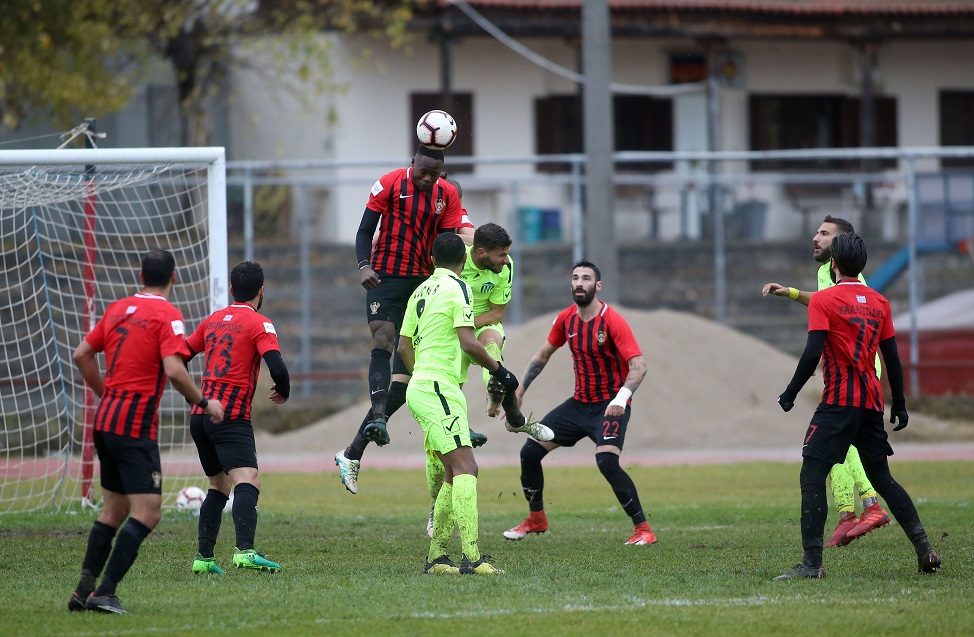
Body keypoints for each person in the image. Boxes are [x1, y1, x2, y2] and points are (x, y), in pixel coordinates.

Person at [774, 232, 941, 580]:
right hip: (869, 403)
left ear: (833, 264)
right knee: (882, 477)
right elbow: (892, 357)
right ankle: (925, 549)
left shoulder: (825, 300)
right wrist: (900, 402)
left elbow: (812, 353)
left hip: (837, 402)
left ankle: (810, 564)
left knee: (812, 475)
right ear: (862, 265)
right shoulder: (880, 302)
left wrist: (790, 392)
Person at [68, 250, 225, 614]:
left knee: (114, 510)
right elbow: (173, 369)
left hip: (105, 421)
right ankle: (104, 592)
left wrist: (104, 393)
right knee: (149, 512)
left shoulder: (117, 308)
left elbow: (81, 355)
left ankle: (82, 590)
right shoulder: (167, 314)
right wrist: (204, 403)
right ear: (176, 277)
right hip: (134, 425)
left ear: (140, 276)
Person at [335, 146, 463, 495]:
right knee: (382, 339)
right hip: (385, 278)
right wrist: (364, 266)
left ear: (442, 173)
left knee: (411, 376)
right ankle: (377, 414)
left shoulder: (448, 196)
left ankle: (353, 451)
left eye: (433, 175)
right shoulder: (389, 184)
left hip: (424, 282)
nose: (426, 178)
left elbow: (449, 243)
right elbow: (364, 232)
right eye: (422, 171)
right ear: (412, 164)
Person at [503, 259, 656, 546]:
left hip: (609, 405)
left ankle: (643, 529)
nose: (579, 283)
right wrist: (520, 389)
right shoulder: (566, 319)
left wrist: (622, 398)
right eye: (575, 278)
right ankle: (536, 519)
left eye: (586, 278)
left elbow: (639, 365)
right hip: (578, 404)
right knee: (529, 453)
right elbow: (543, 354)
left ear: (597, 286)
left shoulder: (612, 320)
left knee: (607, 461)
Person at [762, 215, 892, 547]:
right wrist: (789, 292)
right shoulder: (826, 274)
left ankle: (869, 504)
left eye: (824, 233)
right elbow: (824, 303)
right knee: (835, 443)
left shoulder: (849, 278)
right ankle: (848, 513)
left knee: (834, 441)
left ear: (841, 244)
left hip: (856, 369)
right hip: (845, 369)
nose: (815, 237)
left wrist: (794, 388)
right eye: (817, 232)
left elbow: (842, 312)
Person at [399, 232, 520, 575]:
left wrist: (421, 375)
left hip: (422, 386)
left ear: (433, 260)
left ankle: (437, 558)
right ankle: (472, 558)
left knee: (453, 473)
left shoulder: (420, 291)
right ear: (464, 260)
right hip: (439, 387)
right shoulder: (459, 288)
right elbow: (469, 342)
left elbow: (404, 347)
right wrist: (500, 370)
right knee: (468, 468)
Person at [423, 221, 554, 536]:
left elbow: (496, 313)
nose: (506, 260)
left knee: (491, 341)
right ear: (479, 252)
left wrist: (466, 323)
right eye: (501, 255)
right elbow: (445, 238)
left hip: (476, 325)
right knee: (441, 429)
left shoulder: (504, 268)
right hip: (448, 334)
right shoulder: (452, 261)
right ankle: (435, 504)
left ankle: (495, 393)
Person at [185, 261, 290, 575]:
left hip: (200, 415)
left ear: (231, 289)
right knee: (248, 480)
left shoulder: (213, 320)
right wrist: (283, 390)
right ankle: (245, 551)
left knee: (218, 486)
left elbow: (181, 354)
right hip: (230, 416)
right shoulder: (259, 323)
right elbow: (277, 365)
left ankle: (204, 558)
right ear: (261, 291)